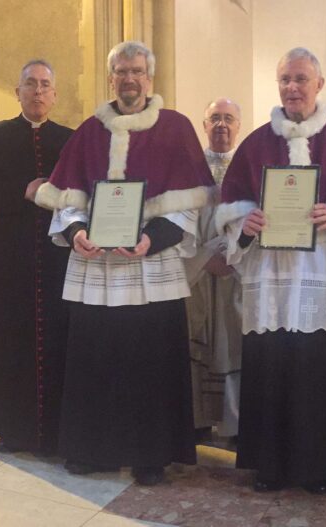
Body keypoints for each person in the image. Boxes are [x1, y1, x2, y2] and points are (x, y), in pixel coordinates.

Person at [35, 41, 215, 486]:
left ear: (150, 78)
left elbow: (189, 205)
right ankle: (91, 449)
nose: (129, 79)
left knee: (151, 364)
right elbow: (67, 198)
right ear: (110, 77)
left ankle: (151, 455)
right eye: (121, 71)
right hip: (97, 268)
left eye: (137, 71)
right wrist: (76, 232)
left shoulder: (175, 128)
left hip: (151, 266)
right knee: (94, 361)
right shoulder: (89, 131)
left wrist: (152, 239)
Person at [216, 47, 326, 495]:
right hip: (270, 280)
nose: (292, 88)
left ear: (319, 84)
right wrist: (245, 226)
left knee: (322, 371)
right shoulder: (255, 144)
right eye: (285, 80)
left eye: (300, 79)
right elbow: (231, 218)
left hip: (323, 276)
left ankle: (320, 465)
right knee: (270, 366)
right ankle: (269, 465)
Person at [0, 59, 73, 455]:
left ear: (55, 94)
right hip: (9, 260)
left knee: (58, 339)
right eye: (30, 83)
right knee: (10, 342)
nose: (38, 90)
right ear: (18, 92)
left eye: (45, 84)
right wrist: (23, 191)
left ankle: (59, 428)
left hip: (58, 259)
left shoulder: (70, 139)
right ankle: (12, 427)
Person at [185, 97, 243, 440]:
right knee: (199, 339)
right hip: (198, 270)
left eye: (229, 119)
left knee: (233, 343)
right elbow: (179, 221)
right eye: (215, 118)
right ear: (204, 126)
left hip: (236, 270)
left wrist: (235, 255)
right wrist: (204, 258)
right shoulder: (188, 169)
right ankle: (198, 419)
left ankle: (235, 422)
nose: (222, 125)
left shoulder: (250, 167)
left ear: (239, 126)